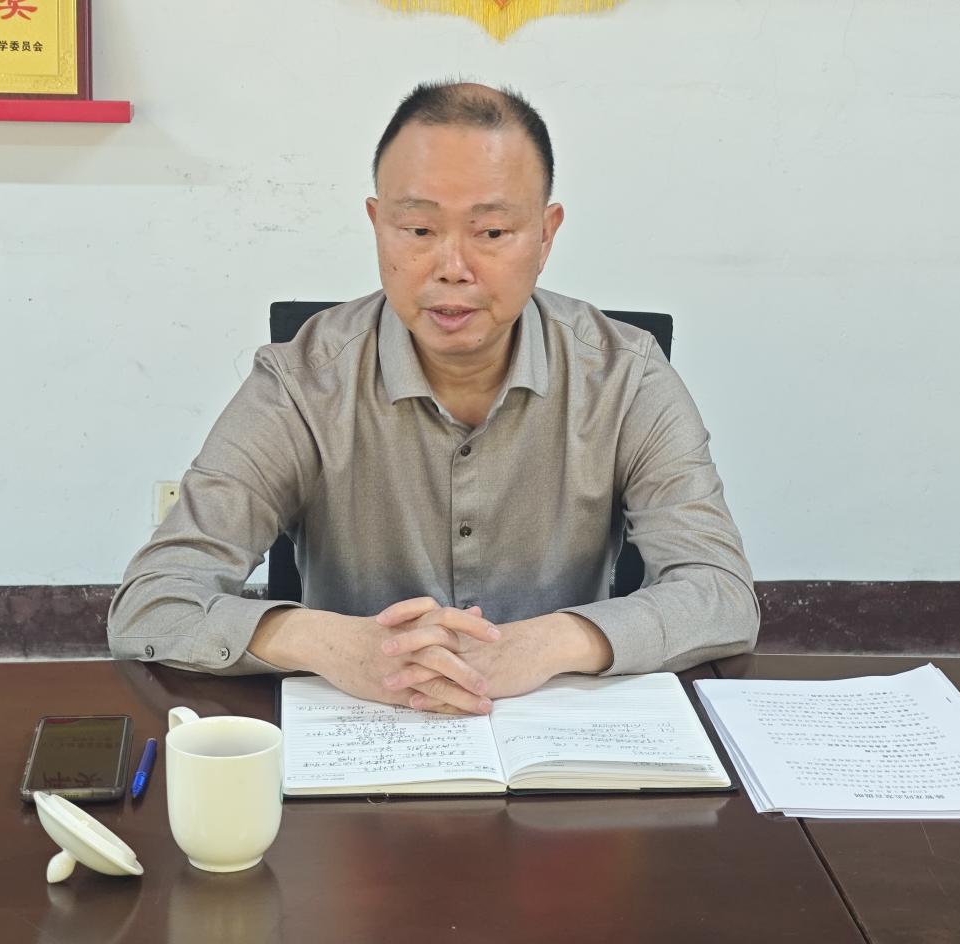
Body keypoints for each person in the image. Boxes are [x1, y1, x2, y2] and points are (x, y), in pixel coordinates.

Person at [108, 80, 758, 715]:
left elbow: (721, 594)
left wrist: (546, 644)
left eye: (492, 232)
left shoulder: (625, 377)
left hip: (554, 734)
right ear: (377, 225)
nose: (452, 267)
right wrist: (329, 642)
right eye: (418, 229)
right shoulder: (302, 382)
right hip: (360, 727)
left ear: (545, 234)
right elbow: (152, 603)